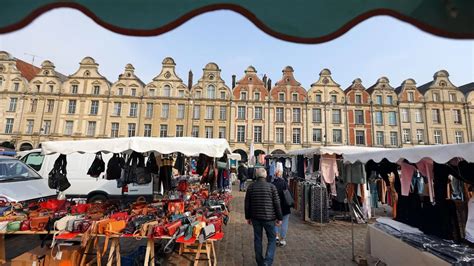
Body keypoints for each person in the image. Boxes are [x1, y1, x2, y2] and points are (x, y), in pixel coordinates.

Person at [245, 168, 283, 266]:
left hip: (255, 217)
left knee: (258, 239)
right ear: (265, 176)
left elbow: (247, 204)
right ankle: (267, 261)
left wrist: (247, 217)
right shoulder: (271, 187)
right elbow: (277, 203)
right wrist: (280, 218)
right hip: (269, 218)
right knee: (272, 238)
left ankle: (260, 262)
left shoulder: (251, 187)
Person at [272, 163, 292, 247]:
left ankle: (276, 236)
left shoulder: (272, 184)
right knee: (284, 223)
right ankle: (282, 240)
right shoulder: (285, 184)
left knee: (276, 222)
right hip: (285, 206)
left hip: (275, 207)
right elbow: (289, 195)